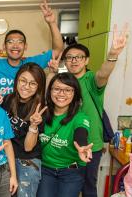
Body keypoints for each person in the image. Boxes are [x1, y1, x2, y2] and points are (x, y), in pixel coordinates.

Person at [61, 24, 128, 197]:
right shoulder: (62, 82)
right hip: (66, 144)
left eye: (79, 57)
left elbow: (103, 75)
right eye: (69, 57)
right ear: (65, 62)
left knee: (89, 186)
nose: (74, 60)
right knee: (67, 185)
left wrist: (113, 54)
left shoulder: (91, 80)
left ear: (86, 60)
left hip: (91, 143)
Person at [0, 0, 63, 96]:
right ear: (4, 47)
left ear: (25, 46)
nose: (15, 46)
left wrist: (52, 23)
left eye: (20, 42)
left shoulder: (32, 64)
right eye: (10, 42)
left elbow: (58, 51)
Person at [37, 72, 93, 197]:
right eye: (57, 89)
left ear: (75, 93)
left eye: (68, 90)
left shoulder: (80, 117)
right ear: (50, 91)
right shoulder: (41, 114)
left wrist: (82, 146)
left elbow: (81, 132)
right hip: (46, 169)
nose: (61, 94)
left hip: (71, 171)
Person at [1, 63, 47, 197]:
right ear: (17, 80)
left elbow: (28, 147)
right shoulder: (8, 99)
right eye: (23, 81)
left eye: (33, 83)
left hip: (26, 162)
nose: (26, 87)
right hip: (5, 158)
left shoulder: (41, 109)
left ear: (39, 86)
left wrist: (33, 126)